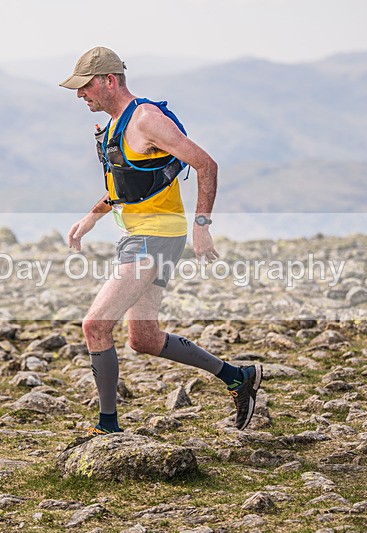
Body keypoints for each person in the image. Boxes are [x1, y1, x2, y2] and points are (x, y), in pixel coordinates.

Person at [60, 46, 261, 436]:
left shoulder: (147, 119)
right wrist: (91, 217)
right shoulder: (117, 123)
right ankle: (239, 377)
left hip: (156, 237)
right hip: (141, 234)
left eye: (84, 86)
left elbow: (206, 164)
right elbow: (129, 184)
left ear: (108, 81)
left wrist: (202, 225)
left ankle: (107, 428)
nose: (80, 95)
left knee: (95, 326)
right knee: (145, 339)